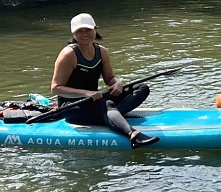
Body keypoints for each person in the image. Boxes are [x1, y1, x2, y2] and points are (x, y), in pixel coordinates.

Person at [50, 13, 159, 149]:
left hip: (95, 101)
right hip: (72, 105)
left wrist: (117, 83)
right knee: (105, 104)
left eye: (88, 29)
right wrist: (85, 93)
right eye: (79, 31)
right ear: (74, 34)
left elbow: (109, 79)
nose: (84, 34)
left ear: (95, 29)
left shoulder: (101, 51)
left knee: (141, 88)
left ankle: (110, 117)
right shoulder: (68, 54)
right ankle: (133, 135)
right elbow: (56, 88)